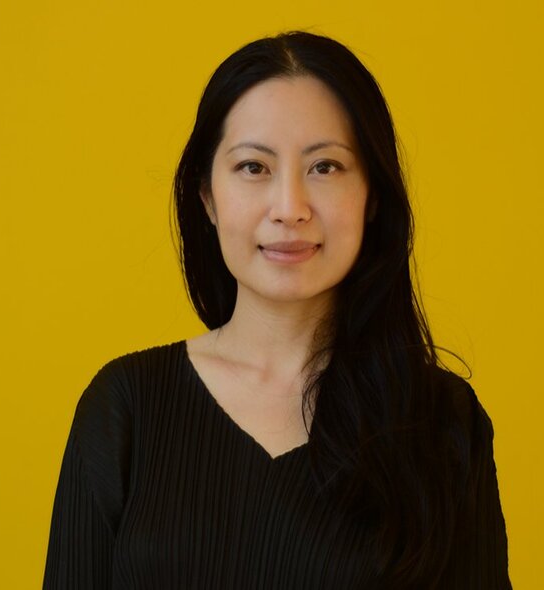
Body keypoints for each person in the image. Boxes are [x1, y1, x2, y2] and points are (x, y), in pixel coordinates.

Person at [43, 31, 511, 589]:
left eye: (326, 168)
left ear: (374, 197)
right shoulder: (126, 408)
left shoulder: (442, 421)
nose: (290, 209)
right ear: (207, 197)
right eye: (253, 168)